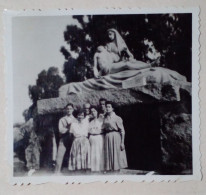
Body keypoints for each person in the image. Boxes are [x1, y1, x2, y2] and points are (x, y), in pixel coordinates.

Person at [103, 101, 128, 171]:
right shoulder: (105, 118)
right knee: (108, 153)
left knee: (116, 153)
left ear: (113, 108)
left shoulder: (117, 118)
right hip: (107, 136)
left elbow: (122, 131)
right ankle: (109, 169)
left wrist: (122, 142)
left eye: (109, 107)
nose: (107, 108)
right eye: (106, 107)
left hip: (115, 136)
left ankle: (117, 169)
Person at [54, 103, 77, 174]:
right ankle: (57, 172)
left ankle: (73, 172)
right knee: (59, 155)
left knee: (73, 154)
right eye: (67, 109)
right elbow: (60, 130)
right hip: (64, 138)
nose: (69, 110)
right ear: (65, 110)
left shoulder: (75, 120)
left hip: (72, 139)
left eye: (70, 109)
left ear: (73, 110)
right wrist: (68, 128)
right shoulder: (62, 119)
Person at [88, 106, 104, 172]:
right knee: (93, 153)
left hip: (99, 137)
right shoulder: (90, 122)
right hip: (92, 138)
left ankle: (100, 168)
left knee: (99, 152)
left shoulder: (101, 120)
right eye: (91, 112)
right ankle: (93, 168)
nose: (93, 113)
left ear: (97, 112)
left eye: (94, 111)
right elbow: (89, 131)